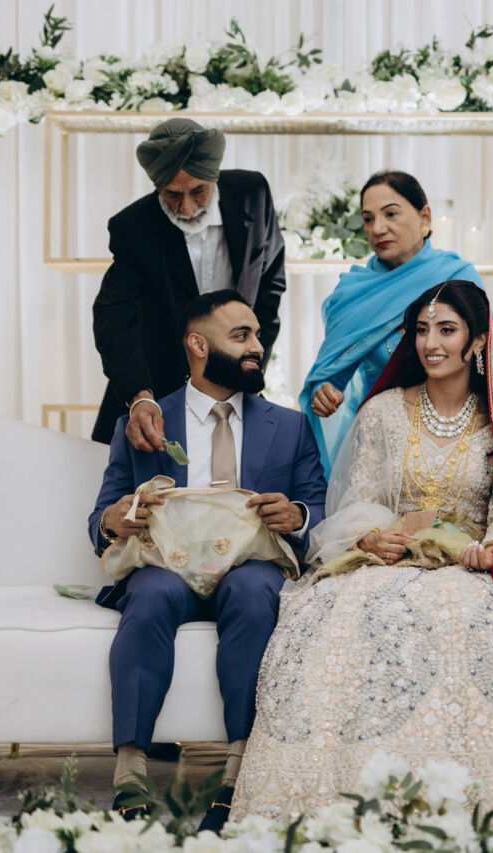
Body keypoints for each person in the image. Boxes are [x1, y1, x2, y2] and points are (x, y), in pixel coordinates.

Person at [232, 282, 493, 821]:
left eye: (447, 330)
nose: (431, 343)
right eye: (422, 330)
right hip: (388, 560)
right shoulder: (383, 412)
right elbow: (359, 497)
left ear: (477, 341)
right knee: (351, 618)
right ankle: (345, 794)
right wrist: (370, 536)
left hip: (469, 565)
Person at [88, 290, 327, 831]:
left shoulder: (290, 426)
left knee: (254, 590)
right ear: (198, 345)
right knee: (150, 593)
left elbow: (319, 510)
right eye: (241, 336)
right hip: (166, 568)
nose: (257, 347)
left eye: (257, 336)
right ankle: (130, 772)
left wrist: (297, 516)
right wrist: (114, 520)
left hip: (250, 569)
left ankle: (240, 775)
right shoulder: (142, 423)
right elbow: (101, 515)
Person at [92, 118, 287, 446]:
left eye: (198, 191)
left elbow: (271, 286)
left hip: (237, 387)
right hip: (158, 388)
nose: (187, 207)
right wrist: (140, 395)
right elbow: (113, 316)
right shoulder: (133, 227)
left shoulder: (253, 194)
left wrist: (250, 366)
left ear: (214, 176)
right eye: (172, 194)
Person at [300, 171, 480, 479]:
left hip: (457, 435)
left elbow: (486, 364)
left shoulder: (457, 277)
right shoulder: (352, 294)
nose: (378, 228)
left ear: (425, 216)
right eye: (368, 219)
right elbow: (330, 375)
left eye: (391, 214)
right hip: (379, 441)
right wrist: (323, 392)